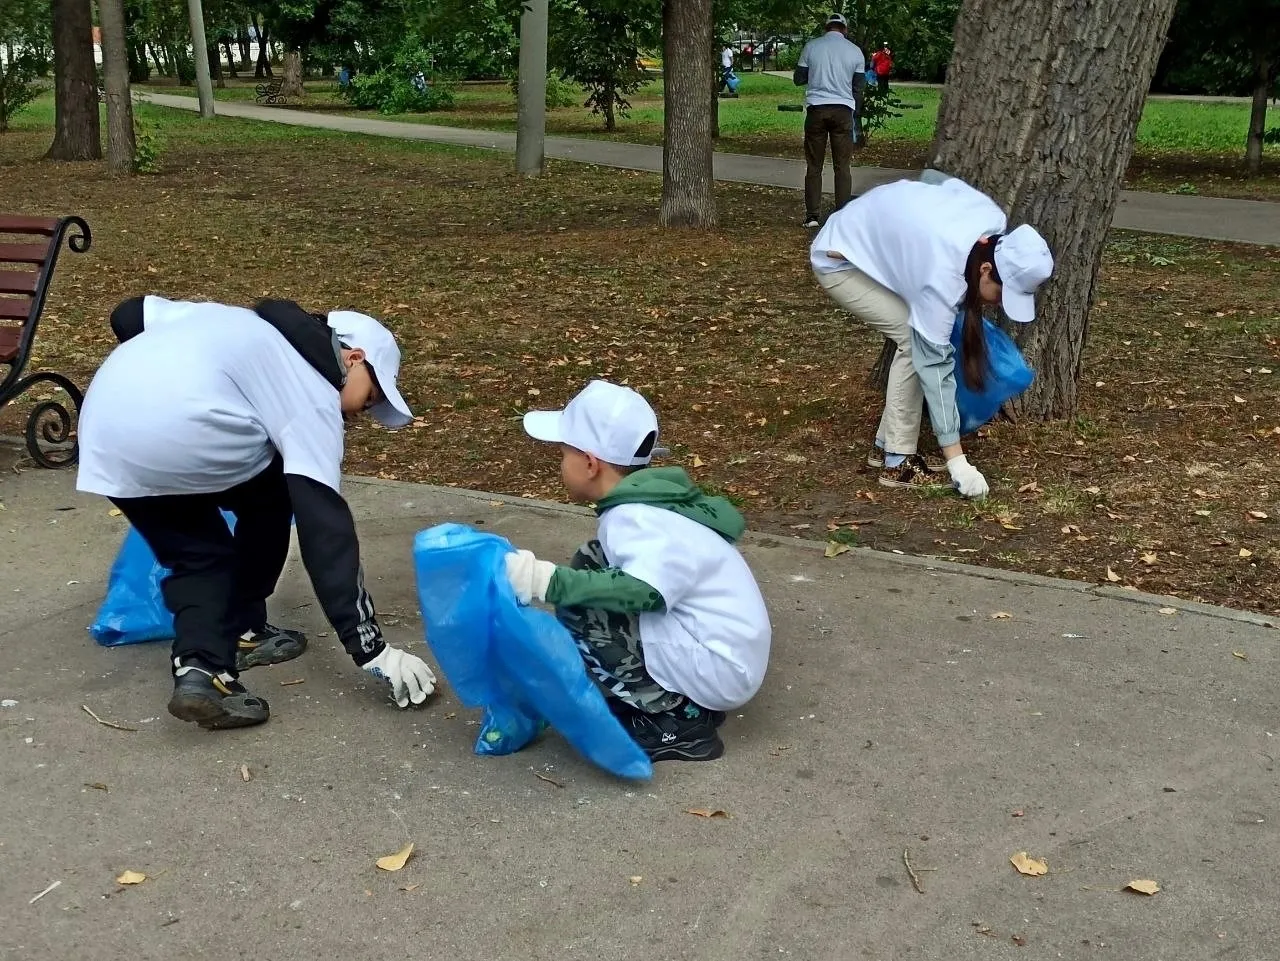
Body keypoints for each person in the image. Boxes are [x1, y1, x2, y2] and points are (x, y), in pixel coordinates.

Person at [76, 295, 438, 729]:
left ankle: (225, 647)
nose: (368, 411)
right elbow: (326, 533)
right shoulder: (313, 397)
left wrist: (160, 373)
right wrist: (370, 647)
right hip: (185, 436)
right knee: (259, 514)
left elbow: (128, 313)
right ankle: (224, 652)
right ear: (355, 358)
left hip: (104, 429)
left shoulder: (225, 318)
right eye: (375, 394)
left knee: (206, 549)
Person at [500, 380, 771, 763]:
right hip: (723, 651)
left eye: (563, 453)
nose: (559, 463)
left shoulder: (633, 517)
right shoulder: (651, 504)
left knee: (582, 606)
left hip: (720, 666)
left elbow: (645, 591)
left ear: (590, 463)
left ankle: (678, 719)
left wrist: (544, 580)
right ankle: (681, 700)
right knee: (595, 561)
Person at [809, 176, 1055, 497]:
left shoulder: (990, 220)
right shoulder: (943, 278)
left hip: (858, 232)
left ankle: (885, 448)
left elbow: (937, 179)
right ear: (985, 270)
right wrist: (958, 463)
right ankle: (897, 462)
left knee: (913, 337)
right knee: (914, 343)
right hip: (838, 259)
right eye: (1001, 293)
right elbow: (935, 370)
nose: (998, 303)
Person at [793, 13, 866, 228]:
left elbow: (799, 78)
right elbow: (859, 86)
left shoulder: (812, 47)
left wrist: (817, 74)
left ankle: (812, 216)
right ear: (844, 29)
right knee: (842, 166)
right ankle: (841, 216)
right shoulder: (855, 51)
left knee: (814, 165)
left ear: (826, 28)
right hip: (843, 110)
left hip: (817, 110)